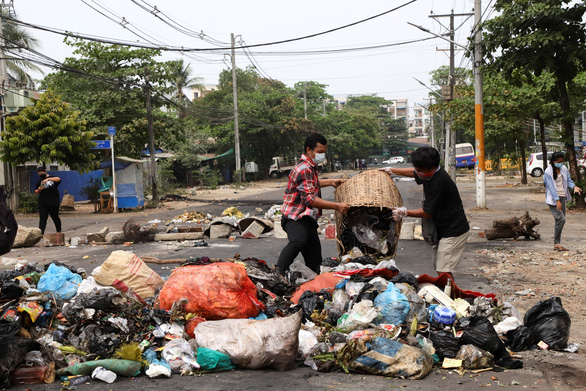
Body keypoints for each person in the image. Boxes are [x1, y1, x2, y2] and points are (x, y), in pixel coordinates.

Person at [382, 147, 469, 280]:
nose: (418, 172)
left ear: (433, 167)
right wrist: (392, 170)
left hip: (454, 230)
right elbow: (415, 173)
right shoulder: (430, 174)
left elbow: (427, 212)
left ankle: (451, 298)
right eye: (417, 168)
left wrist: (404, 212)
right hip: (441, 229)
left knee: (443, 269)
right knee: (439, 266)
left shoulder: (438, 182)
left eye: (421, 169)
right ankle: (448, 294)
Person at [277, 133, 351, 275]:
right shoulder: (304, 168)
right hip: (294, 217)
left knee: (315, 259)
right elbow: (309, 199)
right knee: (299, 240)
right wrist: (338, 206)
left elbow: (310, 184)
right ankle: (278, 272)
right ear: (309, 150)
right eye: (319, 152)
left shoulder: (309, 166)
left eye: (324, 152)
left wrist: (331, 182)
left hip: (306, 218)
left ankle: (311, 281)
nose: (322, 156)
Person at [543, 152, 582, 251]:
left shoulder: (563, 169)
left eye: (562, 162)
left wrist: (574, 187)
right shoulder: (548, 172)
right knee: (561, 219)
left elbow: (568, 180)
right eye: (558, 162)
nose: (560, 163)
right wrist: (557, 201)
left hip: (563, 196)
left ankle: (557, 244)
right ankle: (556, 243)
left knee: (559, 221)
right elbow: (551, 188)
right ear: (553, 161)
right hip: (553, 199)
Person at [34, 166, 62, 235]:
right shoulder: (39, 180)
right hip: (43, 201)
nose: (41, 175)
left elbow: (58, 179)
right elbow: (36, 191)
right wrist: (40, 189)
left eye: (42, 173)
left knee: (55, 217)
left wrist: (48, 179)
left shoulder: (52, 178)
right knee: (43, 217)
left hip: (53, 201)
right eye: (39, 174)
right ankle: (41, 233)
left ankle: (58, 231)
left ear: (45, 171)